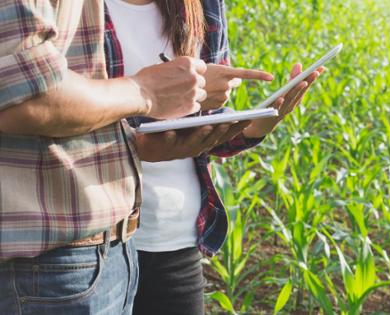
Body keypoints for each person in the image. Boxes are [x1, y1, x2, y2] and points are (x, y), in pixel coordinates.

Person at [0, 0, 239, 314]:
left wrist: (252, 125)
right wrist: (144, 93)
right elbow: (27, 96)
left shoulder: (201, 7)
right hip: (55, 254)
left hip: (122, 241)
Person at [103, 0, 323, 314]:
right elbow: (62, 114)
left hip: (177, 238)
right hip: (97, 244)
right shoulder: (75, 9)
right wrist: (147, 113)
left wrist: (258, 123)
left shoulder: (203, 6)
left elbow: (204, 128)